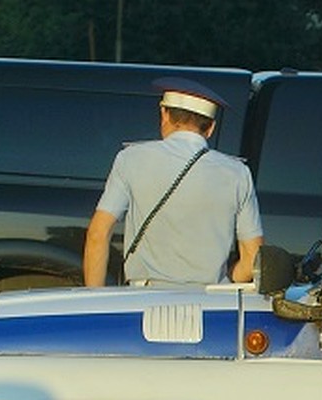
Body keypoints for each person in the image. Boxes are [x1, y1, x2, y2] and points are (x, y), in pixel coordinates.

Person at [83, 77, 263, 287]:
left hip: (145, 299)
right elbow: (253, 259)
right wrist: (226, 279)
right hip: (209, 303)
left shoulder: (131, 159)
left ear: (164, 115)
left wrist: (95, 298)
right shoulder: (238, 173)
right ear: (211, 128)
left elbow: (98, 234)